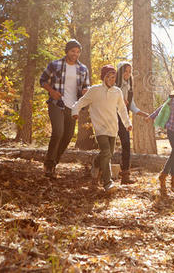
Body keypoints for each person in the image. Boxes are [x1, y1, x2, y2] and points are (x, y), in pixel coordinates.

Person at [72, 65, 132, 193]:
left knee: (108, 154)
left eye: (113, 77)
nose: (111, 79)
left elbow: (122, 109)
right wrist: (74, 111)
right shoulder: (95, 90)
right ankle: (107, 183)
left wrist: (127, 124)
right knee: (106, 152)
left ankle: (96, 163)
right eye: (108, 77)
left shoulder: (117, 92)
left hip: (113, 127)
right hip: (100, 128)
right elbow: (82, 102)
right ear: (103, 77)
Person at [39, 39, 90, 178]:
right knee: (58, 132)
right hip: (57, 103)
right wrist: (51, 91)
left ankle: (54, 163)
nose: (75, 54)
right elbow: (42, 80)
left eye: (78, 52)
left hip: (73, 107)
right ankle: (49, 164)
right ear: (67, 51)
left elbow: (86, 86)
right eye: (73, 51)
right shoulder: (55, 64)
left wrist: (86, 91)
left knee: (67, 136)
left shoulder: (83, 69)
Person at [115, 62, 150, 184]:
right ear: (119, 72)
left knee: (126, 145)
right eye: (125, 71)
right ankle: (99, 170)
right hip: (112, 118)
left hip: (124, 119)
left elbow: (132, 106)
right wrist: (119, 100)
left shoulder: (129, 88)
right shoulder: (113, 85)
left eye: (129, 72)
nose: (127, 74)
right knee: (108, 146)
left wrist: (144, 114)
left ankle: (125, 176)